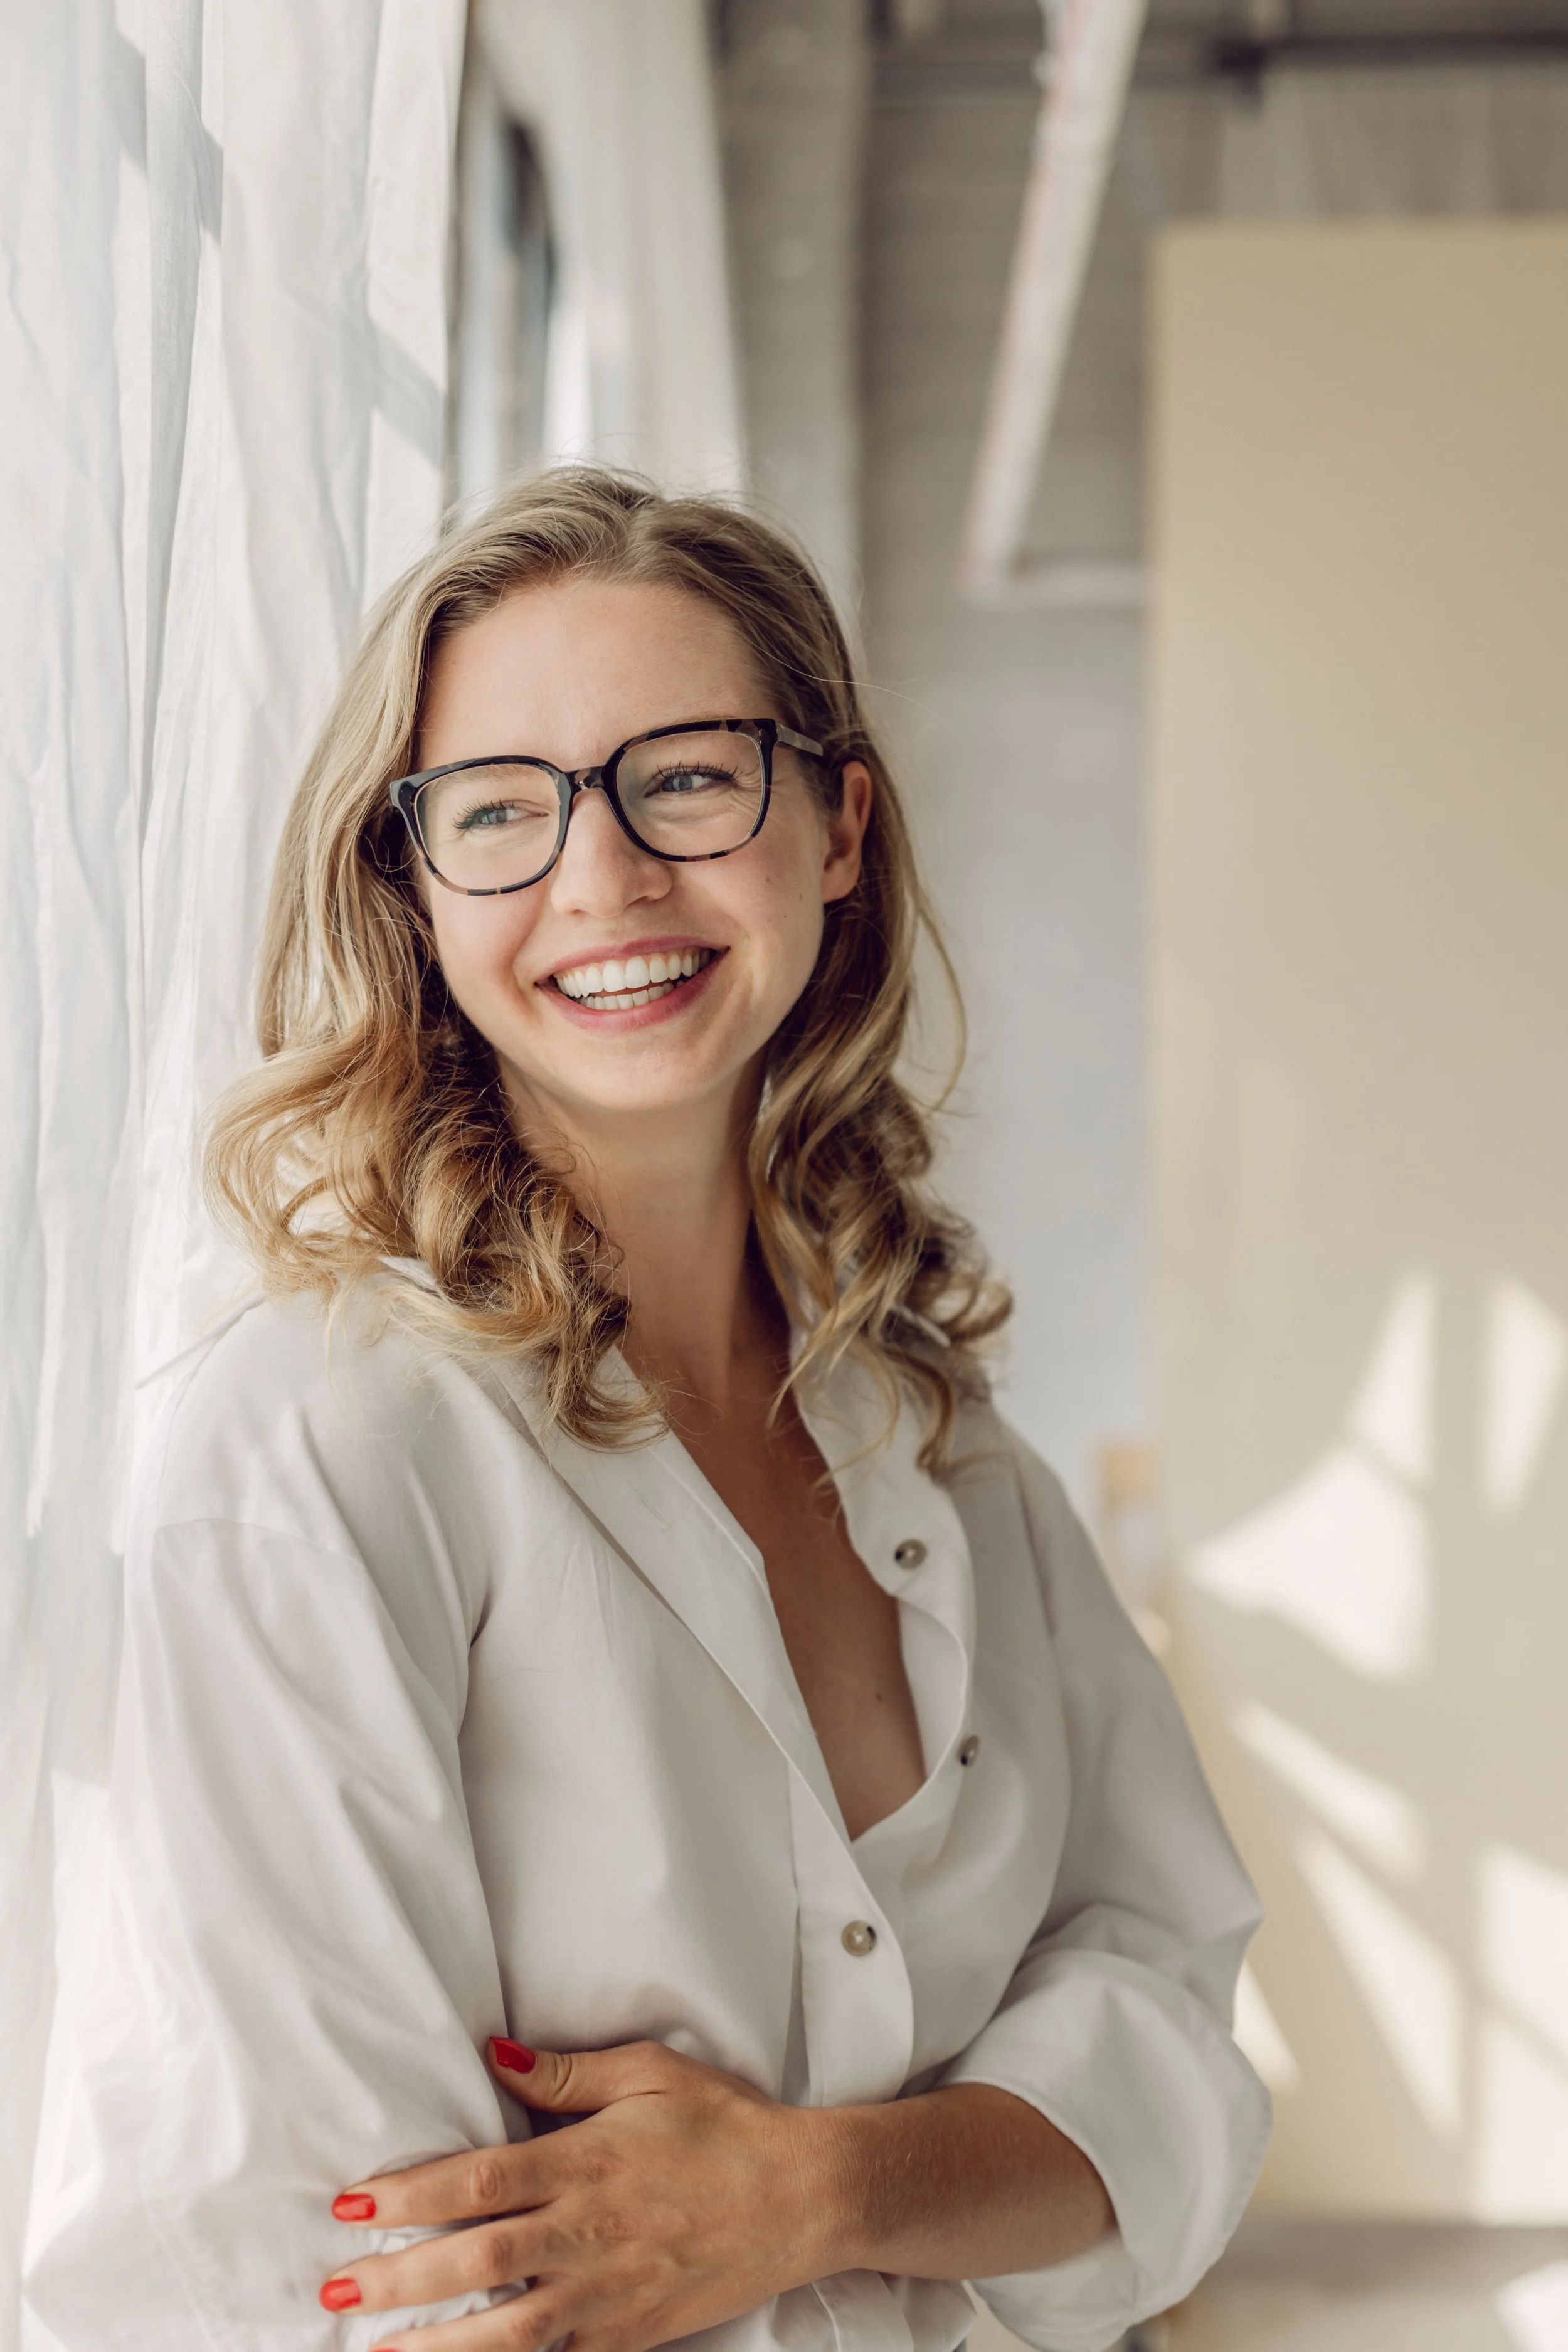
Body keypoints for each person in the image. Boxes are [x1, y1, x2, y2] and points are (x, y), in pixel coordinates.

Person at [25, 471, 1268, 2352]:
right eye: (500, 811)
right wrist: (967, 2165)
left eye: (684, 776)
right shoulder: (325, 1442)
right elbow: (362, 2278)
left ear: (836, 823)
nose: (600, 880)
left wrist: (817, 2190)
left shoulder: (943, 1447)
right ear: (412, 882)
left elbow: (1170, 2048)